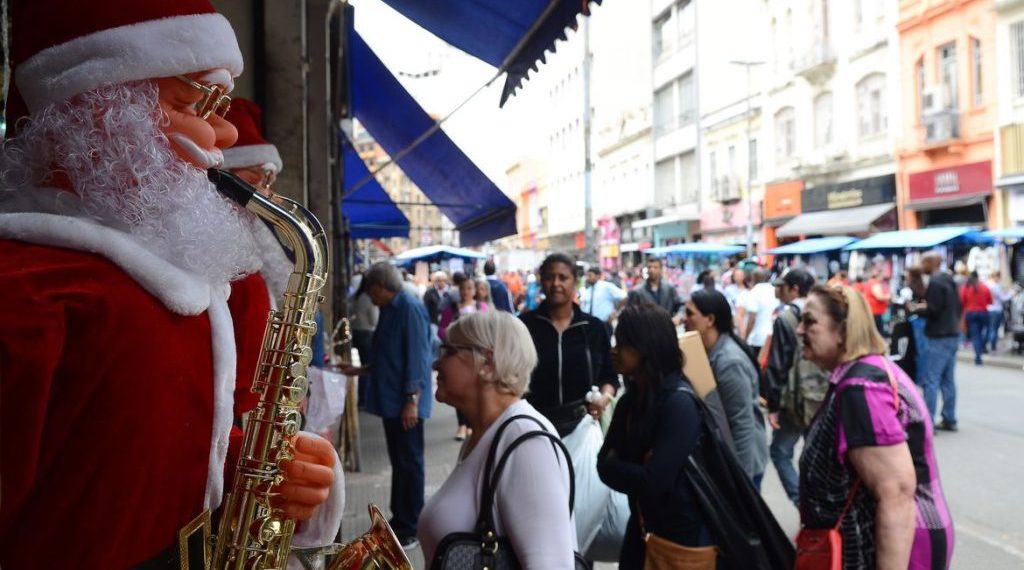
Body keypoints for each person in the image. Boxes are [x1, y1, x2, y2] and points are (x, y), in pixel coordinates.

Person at [0, 2, 340, 566]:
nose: (225, 134)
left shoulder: (177, 283)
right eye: (195, 103)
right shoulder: (25, 293)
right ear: (100, 115)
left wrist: (257, 469)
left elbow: (155, 454)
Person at [797, 285, 954, 570]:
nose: (799, 330)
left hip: (896, 548)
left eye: (809, 321)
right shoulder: (864, 371)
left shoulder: (861, 387)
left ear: (843, 330)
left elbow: (896, 493)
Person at [419, 311, 577, 568]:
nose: (436, 364)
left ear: (487, 362)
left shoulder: (524, 441)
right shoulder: (486, 434)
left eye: (448, 351)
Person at [597, 303, 717, 568]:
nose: (614, 350)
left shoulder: (678, 403)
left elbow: (654, 482)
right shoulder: (630, 401)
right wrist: (636, 467)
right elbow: (602, 465)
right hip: (641, 528)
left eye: (624, 343)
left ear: (646, 347)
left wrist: (621, 465)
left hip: (680, 540)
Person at [340, 262, 432, 548]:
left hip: (405, 403)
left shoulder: (408, 308)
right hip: (394, 400)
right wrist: (361, 370)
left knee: (409, 462)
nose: (371, 298)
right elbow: (388, 355)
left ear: (381, 287)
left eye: (372, 292)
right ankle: (400, 518)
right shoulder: (391, 309)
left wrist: (411, 401)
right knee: (401, 461)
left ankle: (411, 526)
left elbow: (416, 358)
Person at [520, 253, 618, 437]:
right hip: (534, 426)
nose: (556, 283)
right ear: (542, 281)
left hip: (583, 425)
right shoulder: (524, 326)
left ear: (575, 282)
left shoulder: (593, 328)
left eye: (563, 277)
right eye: (550, 277)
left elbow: (609, 376)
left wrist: (604, 398)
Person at [684, 290, 769, 488]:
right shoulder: (710, 352)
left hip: (744, 465)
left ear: (710, 320)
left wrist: (742, 483)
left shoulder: (729, 362)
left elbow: (742, 425)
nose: (684, 319)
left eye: (690, 314)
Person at [763, 269, 825, 506]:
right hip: (821, 396)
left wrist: (773, 405)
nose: (779, 291)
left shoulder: (786, 319)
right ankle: (819, 504)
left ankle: (803, 503)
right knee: (815, 454)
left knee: (780, 452)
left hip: (795, 400)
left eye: (783, 286)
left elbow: (778, 366)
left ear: (795, 289)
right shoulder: (823, 313)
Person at [913, 252, 963, 432]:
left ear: (930, 263)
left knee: (931, 379)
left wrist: (919, 309)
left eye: (924, 261)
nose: (921, 265)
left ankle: (928, 421)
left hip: (939, 335)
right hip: (952, 333)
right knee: (948, 379)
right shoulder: (949, 279)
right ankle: (949, 417)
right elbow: (958, 306)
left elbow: (933, 309)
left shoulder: (935, 282)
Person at [440, 277, 488, 440]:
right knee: (459, 388)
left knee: (476, 389)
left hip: (477, 356)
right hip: (457, 356)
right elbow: (441, 329)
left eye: (469, 288)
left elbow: (489, 330)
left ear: (475, 290)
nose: (466, 292)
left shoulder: (482, 308)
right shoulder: (452, 309)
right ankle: (462, 424)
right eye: (463, 288)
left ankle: (473, 423)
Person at [349, 273, 379, 405]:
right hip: (367, 332)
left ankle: (363, 398)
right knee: (367, 367)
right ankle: (365, 398)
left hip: (356, 332)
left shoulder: (355, 296)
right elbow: (374, 320)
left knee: (363, 366)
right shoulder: (369, 298)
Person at [628, 257, 683, 325]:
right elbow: (630, 313)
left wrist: (678, 316)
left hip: (668, 328)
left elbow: (681, 305)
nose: (652, 270)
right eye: (649, 267)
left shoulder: (669, 289)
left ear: (660, 269)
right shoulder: (637, 291)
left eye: (655, 267)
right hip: (647, 330)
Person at [580, 266, 628, 336]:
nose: (588, 278)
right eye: (587, 275)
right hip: (589, 325)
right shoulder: (588, 291)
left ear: (598, 276)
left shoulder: (606, 287)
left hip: (603, 324)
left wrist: (615, 312)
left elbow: (624, 297)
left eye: (590, 275)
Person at [743, 268, 779, 356]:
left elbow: (752, 319)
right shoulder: (774, 291)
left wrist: (745, 337)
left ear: (753, 278)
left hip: (757, 339)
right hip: (773, 337)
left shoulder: (753, 293)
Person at [960, 271, 993, 365]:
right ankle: (981, 349)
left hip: (970, 312)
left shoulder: (966, 287)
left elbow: (962, 301)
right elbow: (990, 301)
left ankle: (978, 355)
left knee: (975, 335)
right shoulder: (984, 287)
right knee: (983, 332)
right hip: (983, 312)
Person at [985, 271, 1011, 353]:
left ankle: (984, 346)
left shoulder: (986, 284)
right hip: (996, 309)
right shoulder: (995, 286)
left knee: (988, 328)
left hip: (988, 309)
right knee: (994, 329)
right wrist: (1011, 294)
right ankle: (992, 347)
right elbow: (1003, 298)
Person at [865, 268, 892, 337]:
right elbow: (880, 297)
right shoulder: (875, 284)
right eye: (881, 276)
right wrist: (888, 296)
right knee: (878, 332)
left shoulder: (869, 283)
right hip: (875, 311)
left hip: (872, 310)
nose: (882, 278)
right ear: (878, 276)